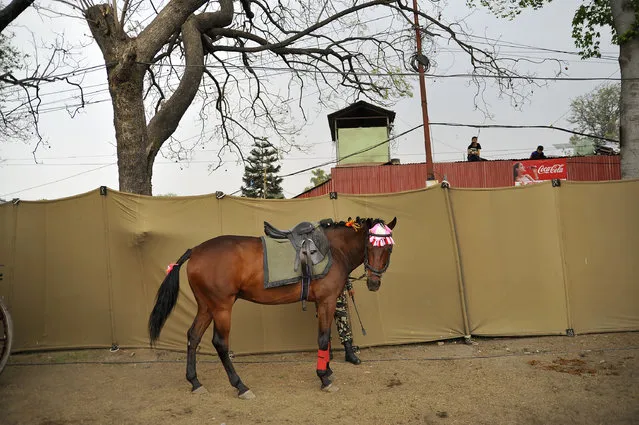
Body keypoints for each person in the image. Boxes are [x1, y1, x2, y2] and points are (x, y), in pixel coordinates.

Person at [332, 280, 361, 365]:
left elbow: (344, 270)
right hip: (323, 294)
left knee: (343, 321)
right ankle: (326, 351)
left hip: (339, 293)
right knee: (324, 324)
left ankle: (349, 352)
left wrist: (349, 286)